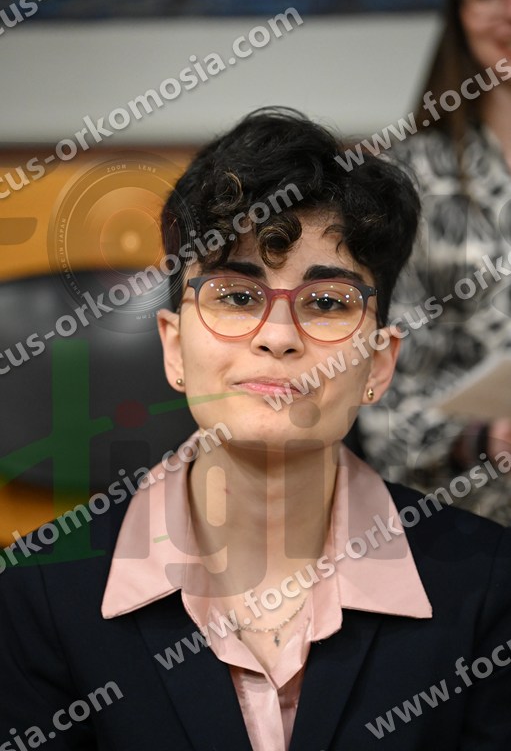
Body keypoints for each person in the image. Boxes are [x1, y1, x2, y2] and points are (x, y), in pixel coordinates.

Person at [0, 108, 510, 750]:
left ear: (379, 363)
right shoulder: (39, 592)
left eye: (327, 303)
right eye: (238, 297)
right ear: (174, 347)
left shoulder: (489, 585)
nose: (278, 336)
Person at [357, 0, 511, 526]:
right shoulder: (410, 178)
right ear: (460, 12)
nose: (507, 11)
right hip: (472, 504)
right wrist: (483, 437)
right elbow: (386, 385)